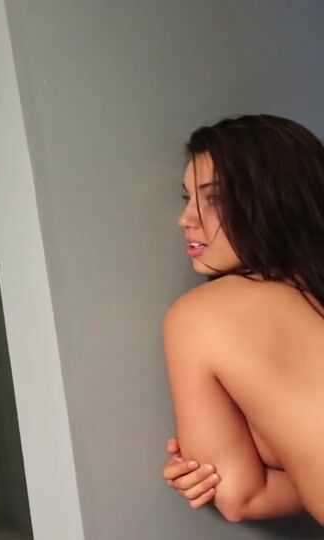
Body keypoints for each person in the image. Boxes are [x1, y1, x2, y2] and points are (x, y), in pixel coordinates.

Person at [161, 114, 324, 523]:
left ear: (279, 200)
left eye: (214, 198)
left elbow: (241, 496)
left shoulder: (201, 316)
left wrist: (262, 449)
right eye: (187, 198)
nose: (187, 219)